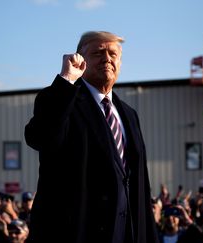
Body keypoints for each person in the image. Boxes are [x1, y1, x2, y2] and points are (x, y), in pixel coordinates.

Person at [24, 31, 159, 243]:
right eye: (98, 53)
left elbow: (139, 185)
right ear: (80, 60)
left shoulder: (129, 114)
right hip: (75, 233)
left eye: (113, 54)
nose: (107, 58)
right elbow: (41, 138)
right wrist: (66, 79)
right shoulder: (61, 100)